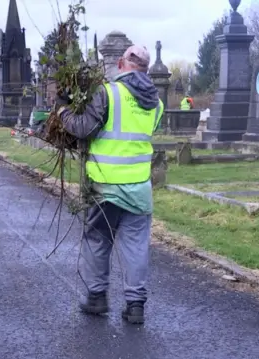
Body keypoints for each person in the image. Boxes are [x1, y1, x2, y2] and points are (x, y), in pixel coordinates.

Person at [56, 45, 164, 325]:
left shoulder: (108, 93)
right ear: (147, 69)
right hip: (139, 188)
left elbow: (83, 129)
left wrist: (62, 112)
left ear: (121, 63)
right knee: (136, 246)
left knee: (97, 240)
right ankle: (135, 305)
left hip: (105, 187)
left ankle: (96, 298)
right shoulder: (157, 103)